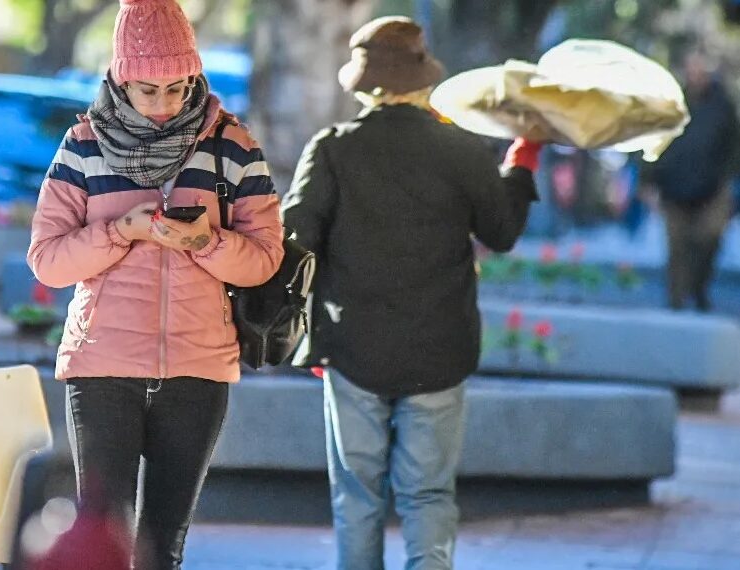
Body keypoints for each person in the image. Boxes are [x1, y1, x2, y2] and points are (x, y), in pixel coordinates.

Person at [27, 1, 285, 568]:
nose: (164, 103)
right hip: (103, 367)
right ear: (122, 81)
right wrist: (122, 231)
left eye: (177, 88)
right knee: (102, 540)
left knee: (163, 544)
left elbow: (266, 259)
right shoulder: (83, 145)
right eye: (148, 90)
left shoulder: (233, 145)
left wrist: (205, 242)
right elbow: (47, 261)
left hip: (198, 367)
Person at [281, 16, 542, 570]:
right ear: (423, 77)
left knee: (357, 496)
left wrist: (307, 331)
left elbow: (294, 239)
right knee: (428, 495)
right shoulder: (461, 149)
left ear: (364, 84)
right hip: (439, 351)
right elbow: (501, 231)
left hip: (352, 348)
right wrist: (522, 161)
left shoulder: (333, 149)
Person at [649, 51, 740, 312]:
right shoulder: (672, 102)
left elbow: (734, 145)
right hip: (673, 186)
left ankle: (699, 289)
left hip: (712, 187)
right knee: (677, 244)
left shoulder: (722, 104)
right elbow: (654, 140)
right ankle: (676, 297)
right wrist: (648, 180)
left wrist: (727, 176)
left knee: (709, 239)